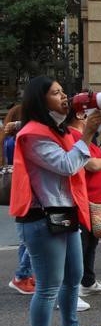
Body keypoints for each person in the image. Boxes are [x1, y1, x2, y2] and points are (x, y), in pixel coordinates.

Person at [11, 77, 101, 326]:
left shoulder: (58, 131)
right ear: (41, 101)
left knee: (74, 275)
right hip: (41, 218)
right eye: (56, 93)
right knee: (48, 287)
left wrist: (85, 131)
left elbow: (76, 162)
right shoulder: (32, 135)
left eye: (64, 91)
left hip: (64, 214)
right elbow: (66, 164)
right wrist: (87, 135)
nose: (64, 96)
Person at [68, 110, 101, 298]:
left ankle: (88, 281)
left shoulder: (86, 138)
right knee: (82, 245)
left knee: (90, 244)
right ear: (81, 117)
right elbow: (91, 165)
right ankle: (75, 287)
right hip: (84, 201)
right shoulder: (75, 136)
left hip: (95, 201)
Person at [5, 105, 35, 295]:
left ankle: (24, 274)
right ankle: (22, 275)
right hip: (27, 190)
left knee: (27, 239)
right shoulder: (21, 138)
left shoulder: (12, 138)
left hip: (23, 190)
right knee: (33, 237)